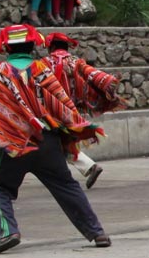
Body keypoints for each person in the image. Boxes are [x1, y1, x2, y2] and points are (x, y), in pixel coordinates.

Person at [0, 24, 111, 253]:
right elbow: (62, 104)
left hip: (15, 146)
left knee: (0, 186)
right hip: (48, 142)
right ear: (33, 44)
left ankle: (8, 232)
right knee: (66, 186)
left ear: (5, 47)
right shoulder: (42, 69)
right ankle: (96, 232)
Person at [45, 31, 126, 188]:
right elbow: (95, 76)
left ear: (52, 46)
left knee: (56, 142)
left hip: (51, 110)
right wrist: (109, 84)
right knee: (62, 142)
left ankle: (87, 167)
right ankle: (84, 168)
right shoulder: (75, 61)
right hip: (71, 108)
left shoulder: (45, 63)